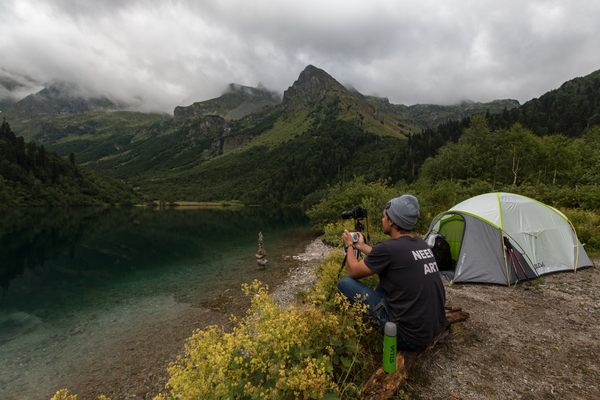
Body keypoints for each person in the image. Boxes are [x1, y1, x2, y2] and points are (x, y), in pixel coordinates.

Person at [338, 195, 446, 351]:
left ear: (391, 221)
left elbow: (353, 271)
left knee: (345, 284)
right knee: (388, 274)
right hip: (432, 329)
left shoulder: (388, 248)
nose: (382, 220)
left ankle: (358, 327)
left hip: (408, 336)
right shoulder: (420, 243)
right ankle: (380, 309)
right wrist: (361, 247)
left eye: (384, 216)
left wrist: (349, 245)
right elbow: (390, 258)